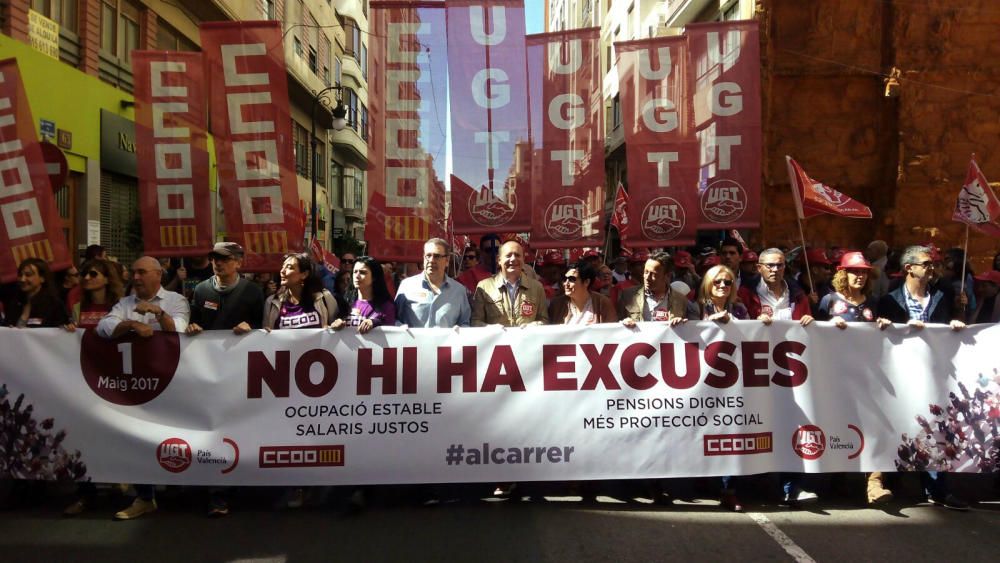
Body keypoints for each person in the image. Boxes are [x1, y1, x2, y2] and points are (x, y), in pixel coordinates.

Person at [95, 256, 189, 520]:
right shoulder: (126, 304)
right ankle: (145, 496)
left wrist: (158, 314)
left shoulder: (175, 300)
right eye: (133, 272)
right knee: (137, 436)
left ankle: (179, 485)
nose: (135, 277)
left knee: (172, 434)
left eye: (142, 272)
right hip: (137, 385)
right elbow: (104, 326)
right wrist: (132, 324)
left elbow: (179, 330)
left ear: (158, 275)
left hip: (171, 381)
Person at [876, 245, 969, 510]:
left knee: (936, 428)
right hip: (900, 376)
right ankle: (894, 480)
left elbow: (959, 330)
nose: (932, 267)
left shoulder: (945, 296)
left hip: (936, 375)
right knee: (900, 424)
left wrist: (958, 319)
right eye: (926, 263)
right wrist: (882, 327)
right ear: (910, 268)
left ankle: (937, 488)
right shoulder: (889, 301)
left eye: (933, 264)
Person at [737, 248, 815, 506]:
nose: (775, 270)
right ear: (758, 267)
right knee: (758, 425)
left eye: (779, 265)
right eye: (769, 265)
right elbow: (738, 324)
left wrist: (808, 320)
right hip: (756, 370)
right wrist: (752, 321)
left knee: (793, 425)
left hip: (791, 372)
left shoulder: (798, 293)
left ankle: (792, 487)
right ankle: (755, 484)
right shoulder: (746, 293)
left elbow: (809, 327)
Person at [814, 252, 893, 505]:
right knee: (839, 425)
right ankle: (836, 480)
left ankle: (874, 482)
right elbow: (810, 332)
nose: (859, 276)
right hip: (834, 375)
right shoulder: (828, 300)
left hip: (868, 376)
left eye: (863, 272)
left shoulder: (874, 301)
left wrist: (883, 325)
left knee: (873, 423)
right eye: (854, 271)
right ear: (842, 274)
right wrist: (826, 325)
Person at [696, 264, 748, 512]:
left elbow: (752, 335)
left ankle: (729, 490)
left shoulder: (739, 309)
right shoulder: (695, 308)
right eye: (717, 282)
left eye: (727, 282)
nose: (722, 286)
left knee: (730, 432)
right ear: (707, 283)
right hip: (698, 383)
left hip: (731, 381)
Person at [395, 238, 471, 328]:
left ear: (447, 260)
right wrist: (401, 328)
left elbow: (465, 323)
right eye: (428, 255)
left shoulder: (458, 291)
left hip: (446, 342)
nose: (431, 260)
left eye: (437, 256)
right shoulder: (407, 285)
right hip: (413, 341)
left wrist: (459, 331)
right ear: (423, 258)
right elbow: (394, 318)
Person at [471, 240, 548, 327]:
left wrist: (535, 325)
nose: (513, 259)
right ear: (499, 260)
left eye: (517, 255)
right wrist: (490, 328)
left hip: (526, 340)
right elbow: (475, 321)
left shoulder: (537, 287)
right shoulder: (484, 287)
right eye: (508, 255)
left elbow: (544, 319)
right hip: (498, 340)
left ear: (523, 260)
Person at [618, 251, 698, 327]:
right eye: (646, 272)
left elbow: (695, 329)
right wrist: (623, 323)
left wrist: (683, 324)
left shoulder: (681, 300)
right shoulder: (628, 296)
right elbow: (615, 327)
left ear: (667, 276)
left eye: (653, 274)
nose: (647, 277)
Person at [264, 253, 339, 330]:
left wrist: (336, 325)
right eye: (282, 267)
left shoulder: (324, 298)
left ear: (304, 274)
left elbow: (337, 327)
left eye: (289, 267)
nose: (282, 271)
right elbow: (267, 336)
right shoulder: (272, 302)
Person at [331, 255, 396, 333]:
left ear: (374, 277)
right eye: (355, 272)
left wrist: (375, 323)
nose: (357, 276)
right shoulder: (344, 303)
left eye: (362, 272)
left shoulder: (386, 306)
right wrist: (336, 323)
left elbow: (391, 334)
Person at [3, 258, 68, 328]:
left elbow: (63, 329)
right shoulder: (14, 302)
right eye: (20, 275)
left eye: (28, 275)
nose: (22, 279)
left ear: (42, 278)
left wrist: (67, 327)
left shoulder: (54, 304)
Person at [548, 261, 616, 324]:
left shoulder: (602, 303)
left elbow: (611, 331)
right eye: (565, 279)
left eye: (572, 279)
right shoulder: (556, 305)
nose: (566, 283)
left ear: (586, 282)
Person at [65, 259, 125, 331]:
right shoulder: (78, 307)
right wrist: (70, 328)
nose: (86, 277)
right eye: (84, 274)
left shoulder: (121, 306)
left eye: (93, 274)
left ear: (107, 279)